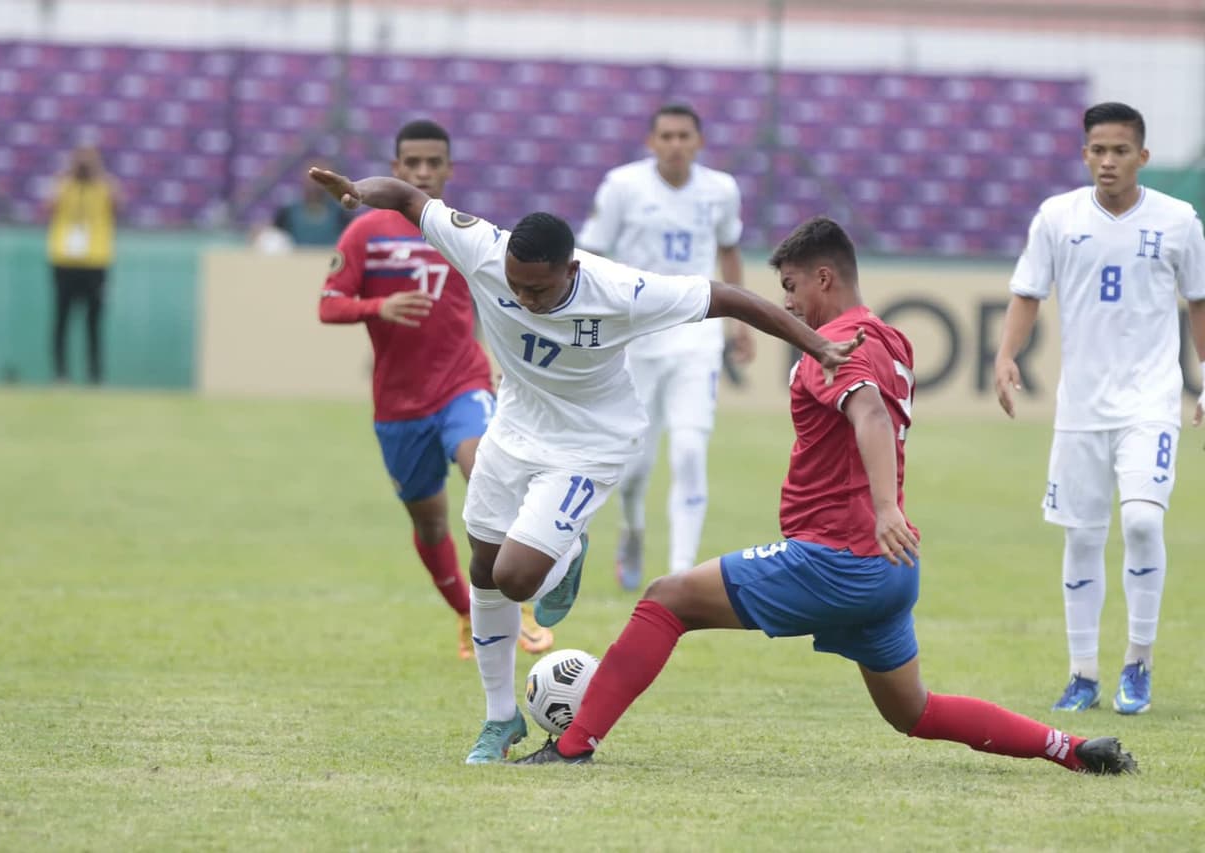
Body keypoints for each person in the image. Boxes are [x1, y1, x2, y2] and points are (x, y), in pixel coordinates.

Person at [514, 216, 1137, 776]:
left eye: (790, 287)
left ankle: (571, 747)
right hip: (889, 569)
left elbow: (866, 413)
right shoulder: (891, 339)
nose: (787, 303)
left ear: (823, 277)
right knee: (913, 711)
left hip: (836, 558)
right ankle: (1070, 748)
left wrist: (886, 507)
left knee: (667, 599)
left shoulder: (832, 344)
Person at [307, 166, 863, 765]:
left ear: (570, 271)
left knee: (519, 576)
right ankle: (499, 719)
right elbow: (409, 197)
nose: (524, 299)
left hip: (589, 442)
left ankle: (567, 551)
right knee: (485, 568)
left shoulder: (621, 290)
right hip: (513, 426)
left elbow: (729, 298)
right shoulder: (483, 250)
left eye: (538, 291)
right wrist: (363, 193)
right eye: (515, 287)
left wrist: (816, 345)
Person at [994, 102, 1205, 715]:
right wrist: (1007, 355)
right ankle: (1082, 673)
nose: (1107, 161)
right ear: (1085, 154)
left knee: (1141, 522)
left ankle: (1137, 662)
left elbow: (1199, 302)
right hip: (1081, 407)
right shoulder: (1057, 218)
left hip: (1150, 401)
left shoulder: (1178, 220)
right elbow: (1027, 292)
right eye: (1097, 150)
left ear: (1142, 156)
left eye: (1119, 151)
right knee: (1082, 538)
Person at [318, 120, 554, 661]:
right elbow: (328, 305)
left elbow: (518, 297)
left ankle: (514, 600)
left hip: (463, 384)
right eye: (413, 164)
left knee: (487, 471)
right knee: (429, 521)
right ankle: (468, 613)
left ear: (448, 169)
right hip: (398, 407)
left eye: (433, 163)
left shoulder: (463, 231)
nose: (423, 172)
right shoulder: (365, 233)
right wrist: (378, 306)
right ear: (397, 168)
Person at [577, 104, 755, 590]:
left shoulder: (720, 190)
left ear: (698, 143)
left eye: (684, 136)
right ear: (651, 142)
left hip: (696, 331)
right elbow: (589, 253)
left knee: (691, 450)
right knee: (634, 468)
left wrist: (740, 325)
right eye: (667, 136)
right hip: (635, 337)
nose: (676, 144)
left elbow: (729, 247)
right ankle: (632, 529)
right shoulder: (622, 187)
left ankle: (680, 574)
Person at [46, 145, 120, 384]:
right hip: (65, 260)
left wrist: (100, 174)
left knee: (94, 322)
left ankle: (94, 374)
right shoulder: (64, 185)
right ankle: (61, 373)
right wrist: (65, 176)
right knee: (62, 320)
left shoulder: (104, 186)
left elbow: (119, 205)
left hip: (95, 261)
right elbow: (48, 207)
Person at [275, 160, 354, 247]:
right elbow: (276, 236)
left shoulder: (340, 213)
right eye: (311, 179)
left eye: (321, 180)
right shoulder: (288, 211)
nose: (314, 185)